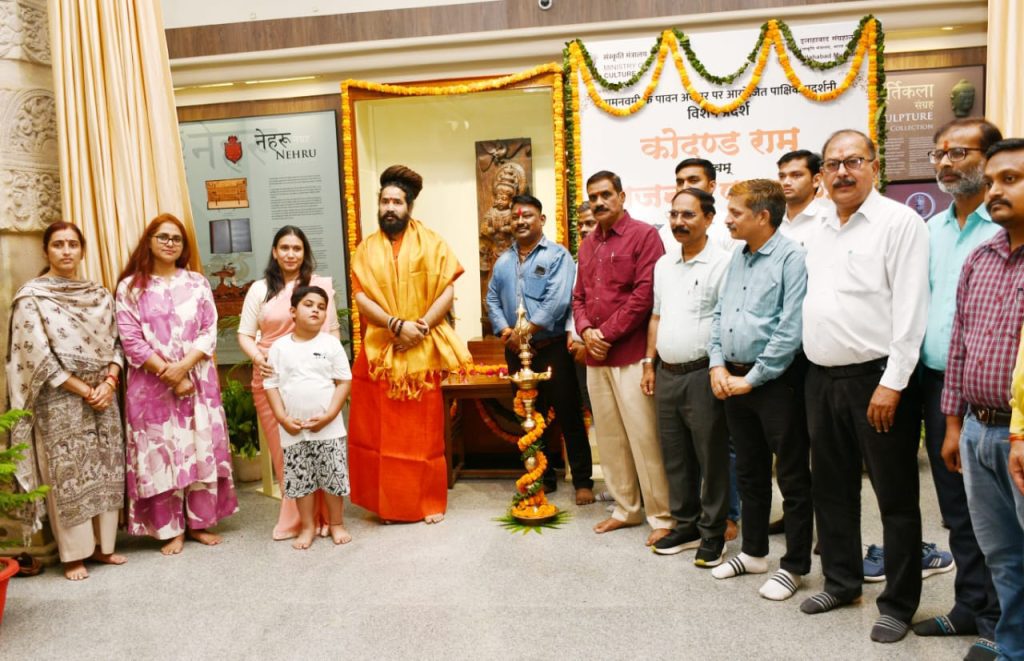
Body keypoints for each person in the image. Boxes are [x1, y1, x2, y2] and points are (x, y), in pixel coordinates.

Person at [799, 130, 929, 644]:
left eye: (853, 161)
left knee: (895, 496)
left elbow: (911, 309)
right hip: (820, 378)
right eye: (832, 164)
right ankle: (842, 582)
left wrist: (893, 383)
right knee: (831, 488)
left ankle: (898, 602)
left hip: (878, 380)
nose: (842, 172)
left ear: (875, 166)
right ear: (821, 175)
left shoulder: (899, 223)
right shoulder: (817, 225)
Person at [908, 118, 1004, 657]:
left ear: (990, 160)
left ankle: (1001, 620)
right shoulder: (930, 230)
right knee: (956, 507)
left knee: (998, 516)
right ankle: (970, 605)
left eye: (959, 153)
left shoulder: (1005, 228)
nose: (945, 163)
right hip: (938, 384)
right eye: (939, 154)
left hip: (994, 390)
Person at [348, 165, 473, 524]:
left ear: (409, 206)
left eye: (397, 202)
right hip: (381, 351)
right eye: (385, 201)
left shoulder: (431, 242)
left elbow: (446, 289)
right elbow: (361, 296)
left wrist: (420, 326)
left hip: (421, 347)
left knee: (423, 433)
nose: (390, 207)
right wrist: (394, 325)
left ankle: (428, 502)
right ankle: (388, 506)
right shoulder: (366, 248)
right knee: (380, 434)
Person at [707, 179, 812, 600]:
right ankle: (753, 553)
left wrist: (752, 378)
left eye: (735, 213)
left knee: (792, 476)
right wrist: (717, 364)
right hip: (732, 379)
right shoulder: (738, 255)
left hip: (775, 382)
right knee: (749, 472)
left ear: (763, 216)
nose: (727, 219)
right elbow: (720, 313)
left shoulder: (792, 258)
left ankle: (795, 566)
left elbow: (791, 327)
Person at [5, 222, 126, 581]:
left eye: (73, 244)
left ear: (82, 250)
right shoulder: (32, 298)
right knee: (68, 474)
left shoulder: (99, 294)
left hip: (104, 396)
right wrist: (85, 390)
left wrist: (109, 382)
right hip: (60, 397)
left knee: (105, 467)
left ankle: (104, 546)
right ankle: (74, 555)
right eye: (58, 244)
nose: (66, 251)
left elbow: (117, 343)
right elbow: (36, 356)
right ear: (46, 251)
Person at [115, 213, 238, 555]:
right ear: (149, 241)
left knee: (199, 446)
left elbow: (209, 330)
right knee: (161, 452)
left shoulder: (197, 283)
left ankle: (199, 523)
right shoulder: (130, 287)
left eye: (176, 239)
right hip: (151, 385)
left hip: (196, 379)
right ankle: (170, 529)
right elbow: (130, 339)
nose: (170, 243)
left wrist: (183, 369)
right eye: (163, 237)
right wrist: (168, 373)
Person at [944, 137, 1024, 661]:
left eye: (1010, 180)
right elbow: (959, 344)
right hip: (977, 429)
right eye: (992, 181)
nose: (994, 191)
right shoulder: (981, 257)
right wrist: (954, 426)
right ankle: (1012, 648)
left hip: (1020, 434)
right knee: (1002, 556)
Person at [572, 169, 672, 545]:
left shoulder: (644, 236)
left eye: (606, 195)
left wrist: (605, 335)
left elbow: (645, 295)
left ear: (621, 196)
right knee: (610, 439)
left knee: (645, 439)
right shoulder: (587, 245)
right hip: (596, 359)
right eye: (593, 197)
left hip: (630, 355)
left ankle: (662, 515)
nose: (599, 202)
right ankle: (626, 508)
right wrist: (586, 331)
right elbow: (578, 297)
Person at [641, 188, 731, 563]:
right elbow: (656, 316)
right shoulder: (664, 264)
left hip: (702, 374)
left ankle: (713, 532)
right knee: (675, 455)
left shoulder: (723, 263)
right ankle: (686, 525)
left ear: (709, 218)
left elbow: (724, 321)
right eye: (674, 214)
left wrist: (718, 367)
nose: (679, 222)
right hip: (667, 373)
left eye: (688, 215)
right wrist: (649, 362)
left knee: (711, 456)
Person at [486, 194, 594, 505]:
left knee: (569, 414)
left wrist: (524, 332)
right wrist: (506, 331)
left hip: (552, 349)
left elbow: (558, 301)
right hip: (515, 350)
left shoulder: (558, 256)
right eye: (516, 217)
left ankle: (583, 481)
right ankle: (541, 477)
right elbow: (491, 299)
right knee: (529, 415)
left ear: (541, 219)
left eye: (527, 215)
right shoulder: (503, 262)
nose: (520, 221)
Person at [237, 225, 341, 540]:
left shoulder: (318, 287)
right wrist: (259, 358)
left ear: (304, 252)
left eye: (297, 248)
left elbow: (332, 331)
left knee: (320, 446)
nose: (291, 254)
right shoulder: (260, 290)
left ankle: (326, 517)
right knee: (286, 450)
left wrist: (333, 372)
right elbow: (244, 334)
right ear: (274, 251)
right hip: (271, 377)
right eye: (284, 247)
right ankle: (298, 519)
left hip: (314, 378)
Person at [263, 285, 353, 550]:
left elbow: (344, 382)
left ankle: (336, 523)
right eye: (309, 305)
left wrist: (330, 415)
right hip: (294, 430)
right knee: (302, 482)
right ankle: (307, 526)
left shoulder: (330, 344)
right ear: (293, 311)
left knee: (332, 479)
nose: (316, 310)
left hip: (329, 429)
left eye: (321, 307)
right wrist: (282, 418)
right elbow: (271, 385)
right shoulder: (279, 348)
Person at [658, 158, 739, 255]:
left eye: (693, 181)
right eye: (680, 182)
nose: (685, 187)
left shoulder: (731, 226)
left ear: (711, 186)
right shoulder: (665, 231)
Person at [776, 150, 830, 246]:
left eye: (796, 175)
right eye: (782, 176)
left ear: (816, 180)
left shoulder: (828, 221)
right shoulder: (769, 221)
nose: (786, 182)